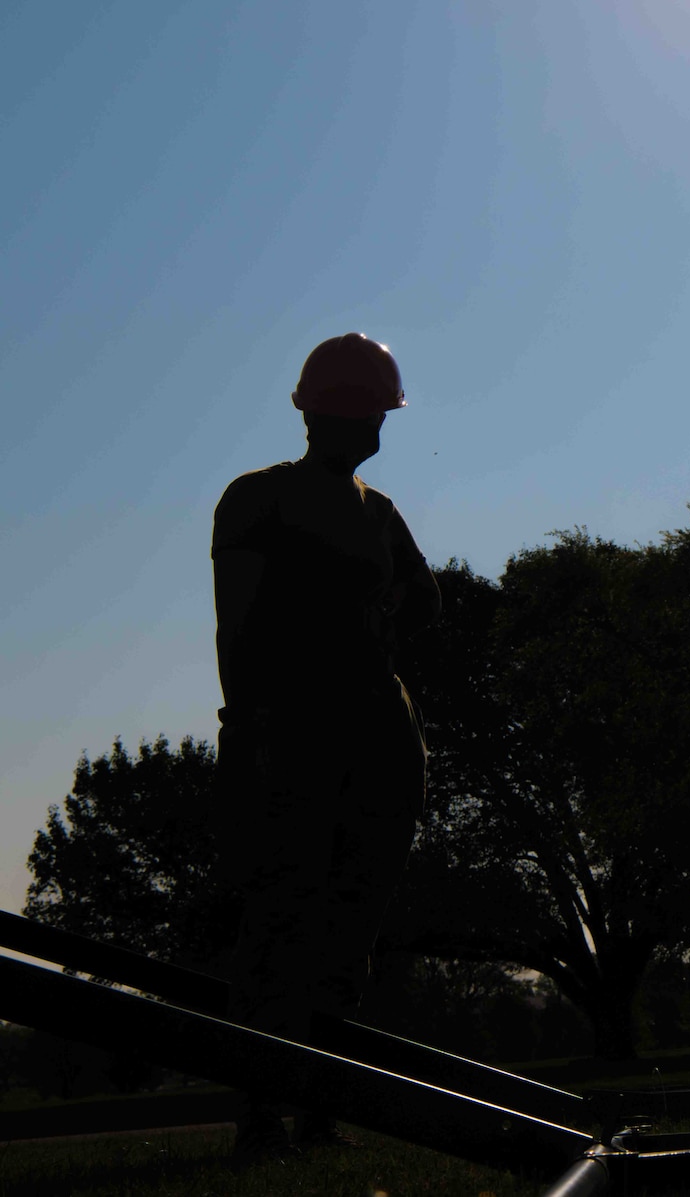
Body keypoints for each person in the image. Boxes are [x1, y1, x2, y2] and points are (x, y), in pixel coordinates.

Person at [211, 333, 438, 1152]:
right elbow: (235, 628)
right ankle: (272, 1110)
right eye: (367, 409)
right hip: (301, 742)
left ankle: (310, 1110)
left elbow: (426, 598)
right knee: (288, 922)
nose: (369, 425)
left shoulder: (371, 510)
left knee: (338, 932)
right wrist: (251, 728)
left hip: (368, 745)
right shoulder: (262, 500)